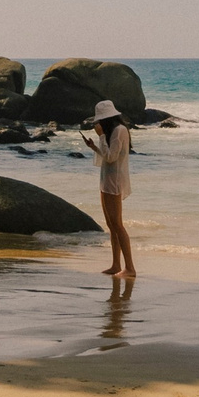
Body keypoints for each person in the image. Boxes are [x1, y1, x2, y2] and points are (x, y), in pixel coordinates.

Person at [83, 99, 137, 278]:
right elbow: (107, 157)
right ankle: (116, 264)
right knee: (111, 225)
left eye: (99, 121)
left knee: (118, 225)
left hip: (114, 182)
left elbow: (112, 157)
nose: (98, 124)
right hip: (106, 180)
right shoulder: (113, 131)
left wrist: (100, 137)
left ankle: (130, 268)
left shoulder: (119, 131)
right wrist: (93, 146)